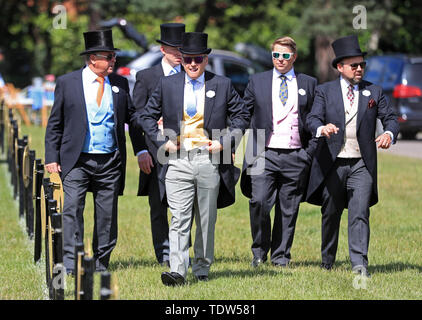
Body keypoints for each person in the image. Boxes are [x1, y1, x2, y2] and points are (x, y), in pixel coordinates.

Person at [135, 32, 249, 286]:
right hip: (176, 160)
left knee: (206, 219)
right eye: (188, 59)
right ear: (182, 60)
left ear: (206, 59)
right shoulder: (167, 85)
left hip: (208, 160)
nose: (192, 64)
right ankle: (177, 270)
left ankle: (202, 267)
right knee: (179, 217)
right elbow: (144, 116)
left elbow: (242, 116)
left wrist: (225, 141)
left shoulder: (222, 84)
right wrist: (160, 140)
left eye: (198, 59)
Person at [306, 35, 399, 277]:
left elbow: (391, 118)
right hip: (333, 163)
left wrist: (389, 133)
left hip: (361, 163)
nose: (359, 69)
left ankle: (359, 264)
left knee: (360, 213)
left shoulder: (374, 91)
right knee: (331, 212)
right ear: (340, 67)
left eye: (362, 65)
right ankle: (327, 260)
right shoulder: (324, 91)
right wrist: (321, 128)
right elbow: (312, 119)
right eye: (354, 65)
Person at [45, 29, 135, 274]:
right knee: (72, 209)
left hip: (110, 161)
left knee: (107, 215)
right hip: (76, 161)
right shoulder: (67, 83)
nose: (113, 61)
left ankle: (101, 261)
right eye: (109, 56)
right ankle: (72, 263)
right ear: (93, 58)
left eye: (114, 56)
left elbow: (133, 118)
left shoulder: (120, 84)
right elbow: (55, 124)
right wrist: (52, 158)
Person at [240, 36, 317, 268]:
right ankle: (259, 252)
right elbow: (244, 113)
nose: (280, 60)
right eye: (276, 55)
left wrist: (308, 153)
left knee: (289, 208)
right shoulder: (257, 81)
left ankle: (281, 256)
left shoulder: (308, 83)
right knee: (259, 201)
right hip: (263, 152)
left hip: (296, 154)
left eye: (285, 55)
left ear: (294, 57)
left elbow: (315, 118)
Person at [129, 23, 185, 267]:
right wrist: (141, 149)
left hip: (186, 148)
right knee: (159, 204)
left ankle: (182, 251)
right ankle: (164, 254)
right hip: (155, 150)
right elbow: (135, 117)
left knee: (184, 203)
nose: (179, 54)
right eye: (174, 49)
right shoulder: (147, 77)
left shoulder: (191, 73)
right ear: (163, 49)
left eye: (182, 49)